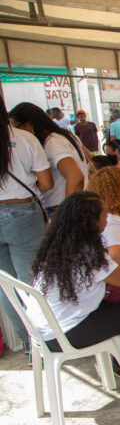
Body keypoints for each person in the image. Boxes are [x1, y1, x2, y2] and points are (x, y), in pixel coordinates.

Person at [26, 191, 120, 399]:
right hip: (63, 334)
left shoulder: (63, 244)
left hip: (46, 330)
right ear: (90, 221)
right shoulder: (86, 251)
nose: (108, 218)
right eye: (104, 215)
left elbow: (109, 268)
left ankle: (119, 364)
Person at [0, 93, 53, 344]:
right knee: (31, 283)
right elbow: (46, 182)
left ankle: (27, 345)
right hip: (22, 213)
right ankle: (42, 342)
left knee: (6, 287)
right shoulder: (24, 139)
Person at [9, 102, 86, 213]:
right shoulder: (66, 136)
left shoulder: (52, 143)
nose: (16, 134)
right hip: (78, 204)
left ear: (29, 124)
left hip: (61, 206)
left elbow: (76, 177)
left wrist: (67, 212)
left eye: (17, 128)